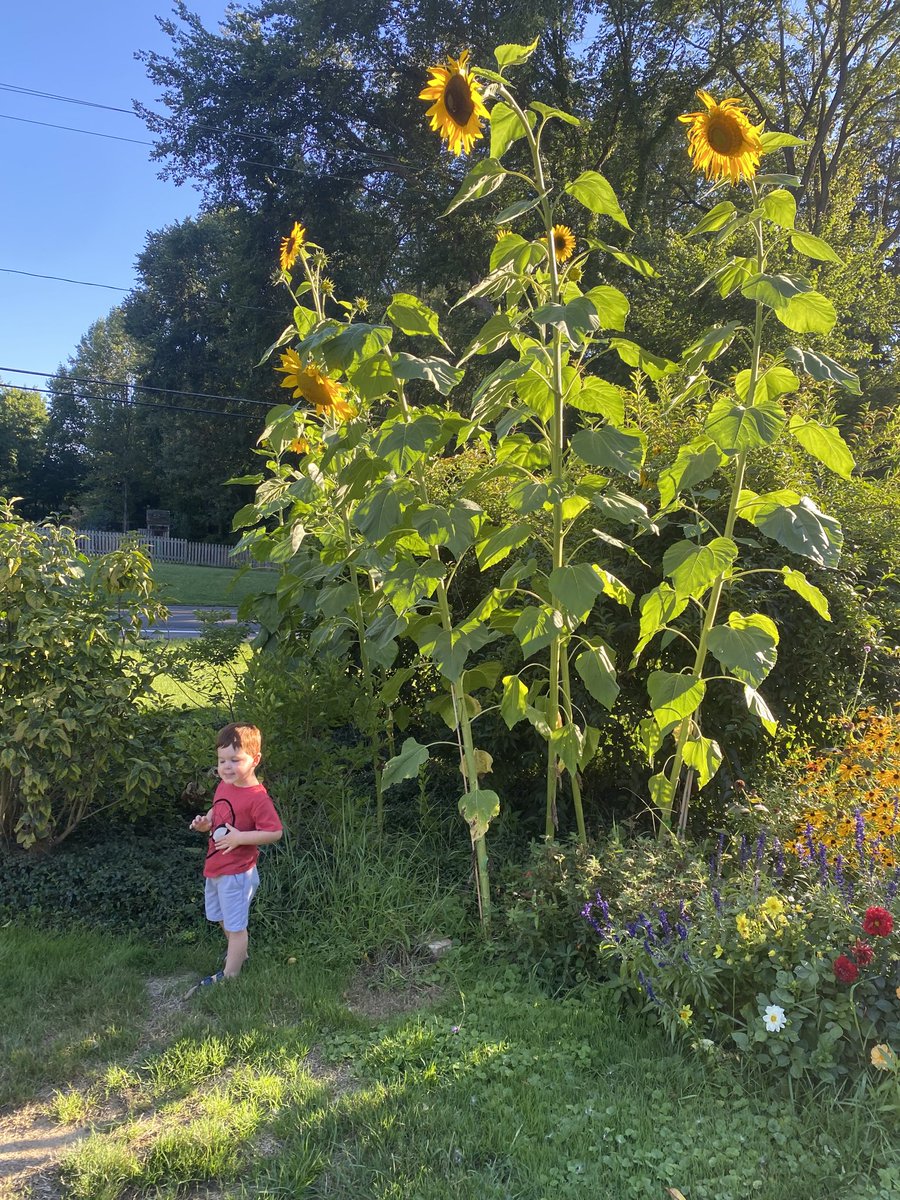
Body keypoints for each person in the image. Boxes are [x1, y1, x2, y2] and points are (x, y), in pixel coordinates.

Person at [187, 722, 282, 992]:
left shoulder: (257, 798)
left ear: (255, 760)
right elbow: (219, 812)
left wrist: (240, 838)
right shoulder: (224, 786)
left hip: (238, 872)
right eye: (222, 760)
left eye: (235, 760)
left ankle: (230, 977)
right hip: (216, 866)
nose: (226, 767)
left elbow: (274, 832)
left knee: (236, 926)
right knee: (220, 918)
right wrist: (206, 821)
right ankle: (238, 953)